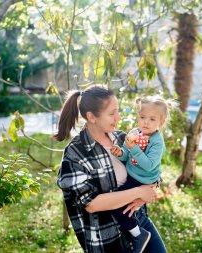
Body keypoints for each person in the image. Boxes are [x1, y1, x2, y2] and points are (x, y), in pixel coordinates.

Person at [55, 86, 168, 253]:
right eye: (112, 113)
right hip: (108, 238)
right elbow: (91, 204)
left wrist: (147, 192)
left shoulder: (123, 138)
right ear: (91, 117)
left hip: (140, 221)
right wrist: (139, 191)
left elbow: (151, 169)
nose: (118, 117)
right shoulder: (76, 153)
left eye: (118, 111)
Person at [110, 96, 169, 252]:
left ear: (161, 123)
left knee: (117, 207)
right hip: (132, 177)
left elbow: (149, 166)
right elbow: (126, 156)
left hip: (143, 181)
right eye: (142, 117)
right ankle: (134, 232)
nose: (146, 122)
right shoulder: (134, 133)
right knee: (123, 207)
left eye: (152, 119)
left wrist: (134, 148)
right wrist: (119, 152)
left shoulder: (157, 141)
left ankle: (138, 235)